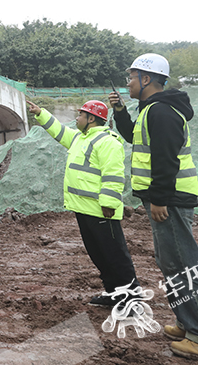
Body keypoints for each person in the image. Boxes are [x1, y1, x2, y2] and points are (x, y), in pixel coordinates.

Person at [109, 53, 198, 359]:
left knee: (185, 266)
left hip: (170, 199)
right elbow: (136, 139)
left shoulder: (161, 112)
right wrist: (121, 112)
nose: (128, 83)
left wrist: (160, 198)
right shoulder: (153, 111)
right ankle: (189, 324)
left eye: (132, 77)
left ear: (146, 79)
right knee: (172, 263)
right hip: (165, 198)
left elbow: (166, 159)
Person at [26, 98, 139, 307]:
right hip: (84, 209)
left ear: (91, 119)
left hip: (101, 211)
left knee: (115, 257)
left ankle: (131, 300)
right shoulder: (81, 138)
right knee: (99, 256)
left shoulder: (107, 141)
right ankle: (114, 294)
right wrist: (40, 113)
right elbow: (58, 131)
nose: (76, 118)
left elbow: (113, 175)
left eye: (80, 115)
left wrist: (109, 204)